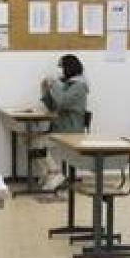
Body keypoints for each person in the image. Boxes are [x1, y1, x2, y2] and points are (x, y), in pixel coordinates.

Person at [38, 54, 88, 191]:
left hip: (70, 131)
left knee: (37, 143)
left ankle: (55, 173)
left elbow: (61, 102)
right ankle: (51, 172)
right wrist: (45, 89)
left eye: (62, 67)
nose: (60, 71)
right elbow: (52, 106)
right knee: (30, 141)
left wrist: (55, 83)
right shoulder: (65, 84)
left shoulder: (79, 86)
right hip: (59, 128)